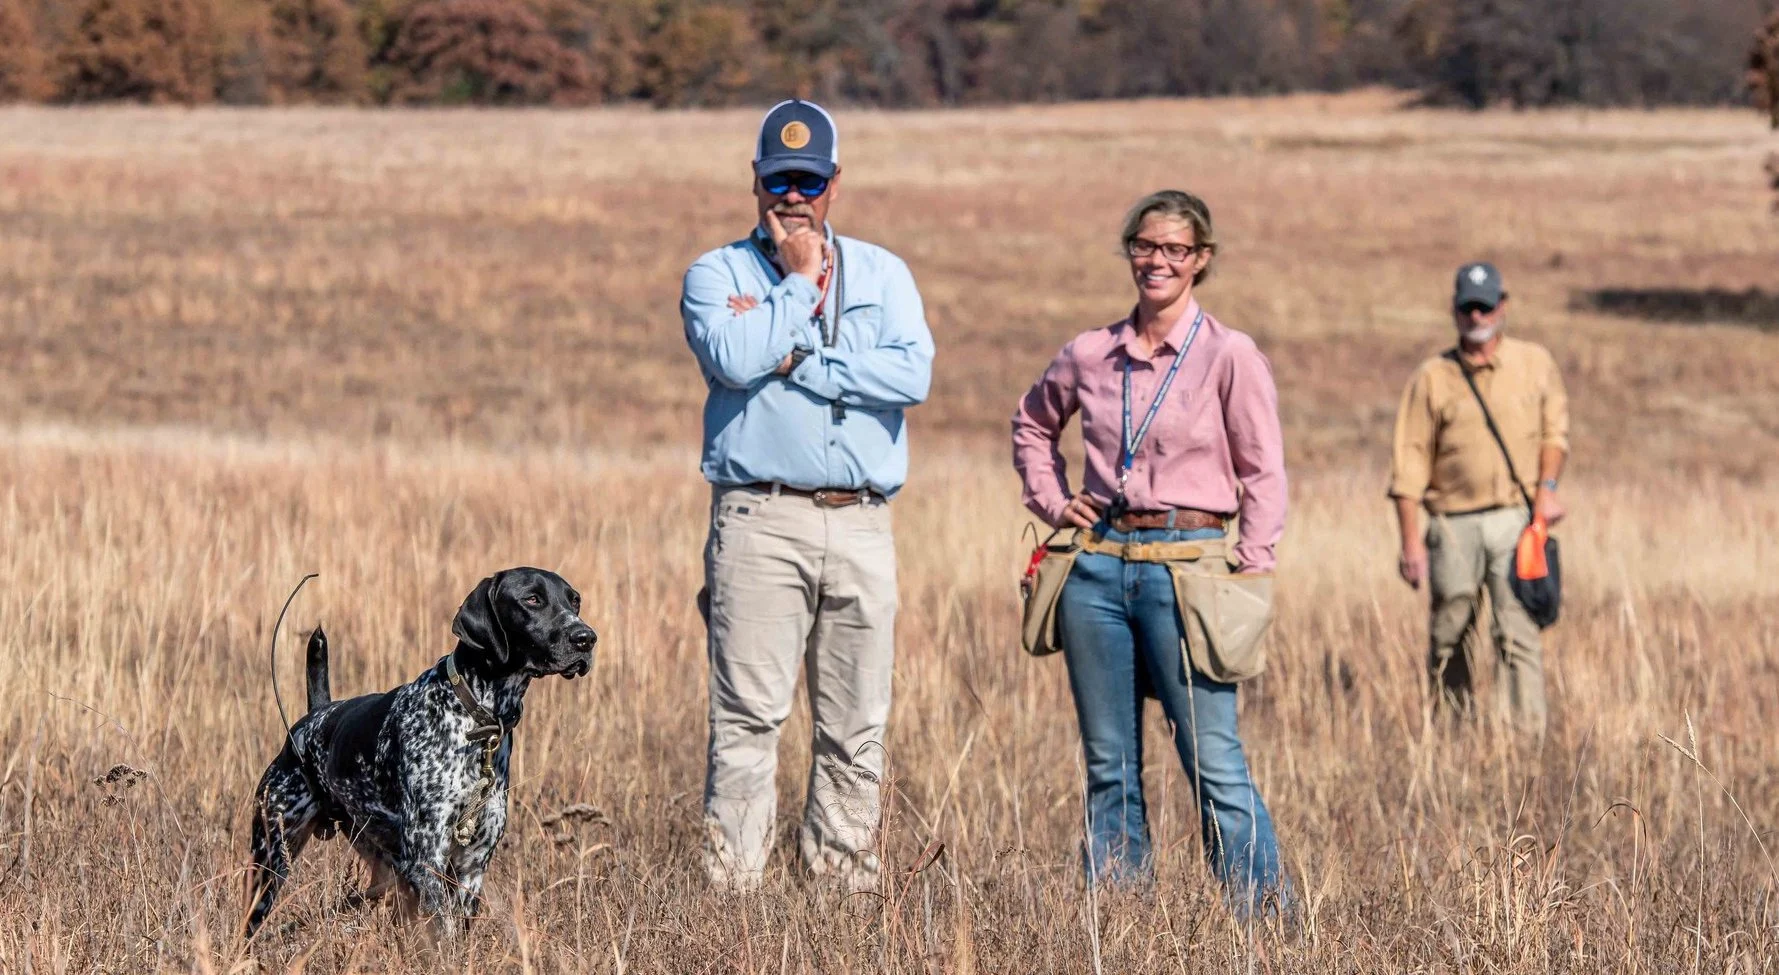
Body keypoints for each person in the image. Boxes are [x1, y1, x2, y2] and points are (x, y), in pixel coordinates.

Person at [680, 99, 935, 893]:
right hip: (759, 517)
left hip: (861, 520)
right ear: (755, 181)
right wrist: (794, 287)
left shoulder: (884, 272)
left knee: (856, 723)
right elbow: (731, 356)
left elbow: (912, 376)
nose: (794, 196)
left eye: (810, 181)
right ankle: (733, 894)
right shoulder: (716, 274)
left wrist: (806, 365)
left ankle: (842, 889)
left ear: (833, 184)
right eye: (779, 180)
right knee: (749, 719)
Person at [1011, 190, 1287, 909]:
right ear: (1128, 250)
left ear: (1200, 260)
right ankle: (1118, 922)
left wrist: (1252, 568)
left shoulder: (1229, 354)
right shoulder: (1088, 353)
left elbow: (1262, 470)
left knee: (1211, 759)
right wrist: (1050, 499)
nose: (1156, 260)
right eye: (1144, 245)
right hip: (1095, 568)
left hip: (1189, 567)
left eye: (1174, 249)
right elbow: (1031, 425)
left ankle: (1260, 922)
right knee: (1109, 764)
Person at [1389, 262, 1569, 735]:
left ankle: (1525, 740)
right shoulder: (1431, 377)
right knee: (1450, 633)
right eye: (1468, 307)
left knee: (1518, 632)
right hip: (1451, 523)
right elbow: (1408, 465)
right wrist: (1410, 543)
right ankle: (1453, 733)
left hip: (1517, 521)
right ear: (1454, 310)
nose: (1476, 316)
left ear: (1502, 306)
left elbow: (1556, 435)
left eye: (1485, 306)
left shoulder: (1535, 364)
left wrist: (1546, 491)